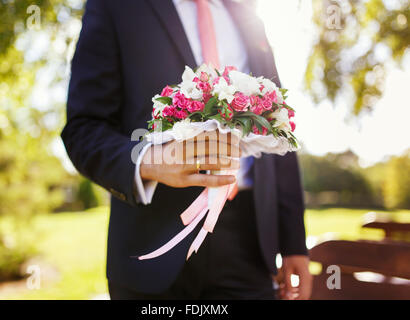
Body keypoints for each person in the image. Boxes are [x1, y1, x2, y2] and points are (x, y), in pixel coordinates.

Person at [62, 0, 312, 300]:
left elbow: (277, 126)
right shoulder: (116, 6)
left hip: (249, 243)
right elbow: (84, 129)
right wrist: (150, 162)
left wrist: (294, 241)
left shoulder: (250, 15)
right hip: (150, 243)